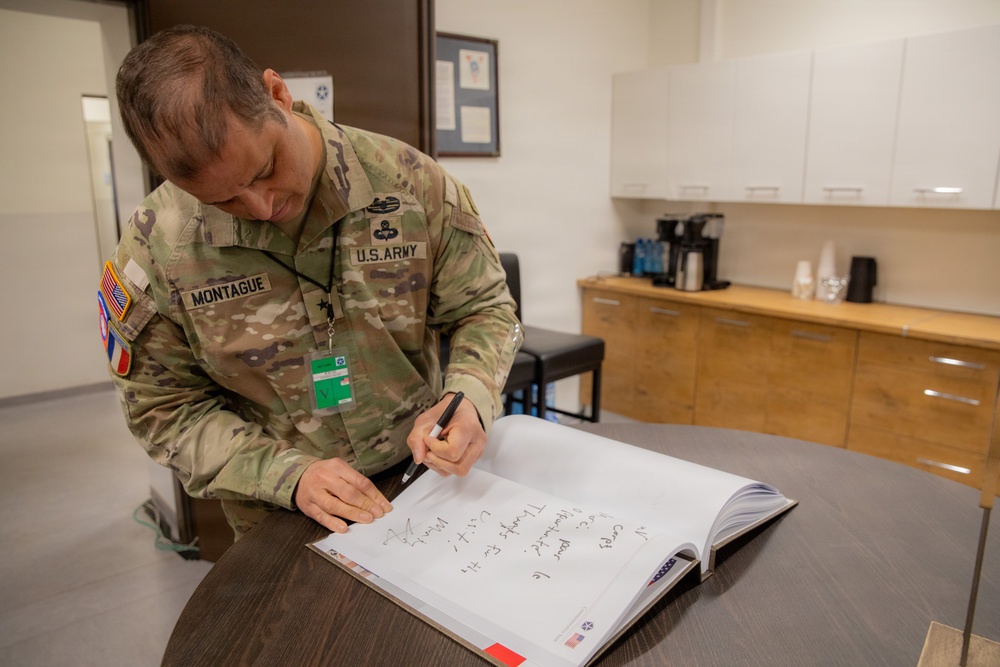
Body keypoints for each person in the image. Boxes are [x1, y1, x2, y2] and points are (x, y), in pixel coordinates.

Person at [100, 24, 522, 539]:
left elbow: (485, 311)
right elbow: (162, 410)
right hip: (281, 515)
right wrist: (285, 475)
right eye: (223, 200)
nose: (261, 207)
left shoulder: (412, 184)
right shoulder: (156, 249)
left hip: (424, 482)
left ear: (277, 96)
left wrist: (471, 396)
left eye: (264, 169)